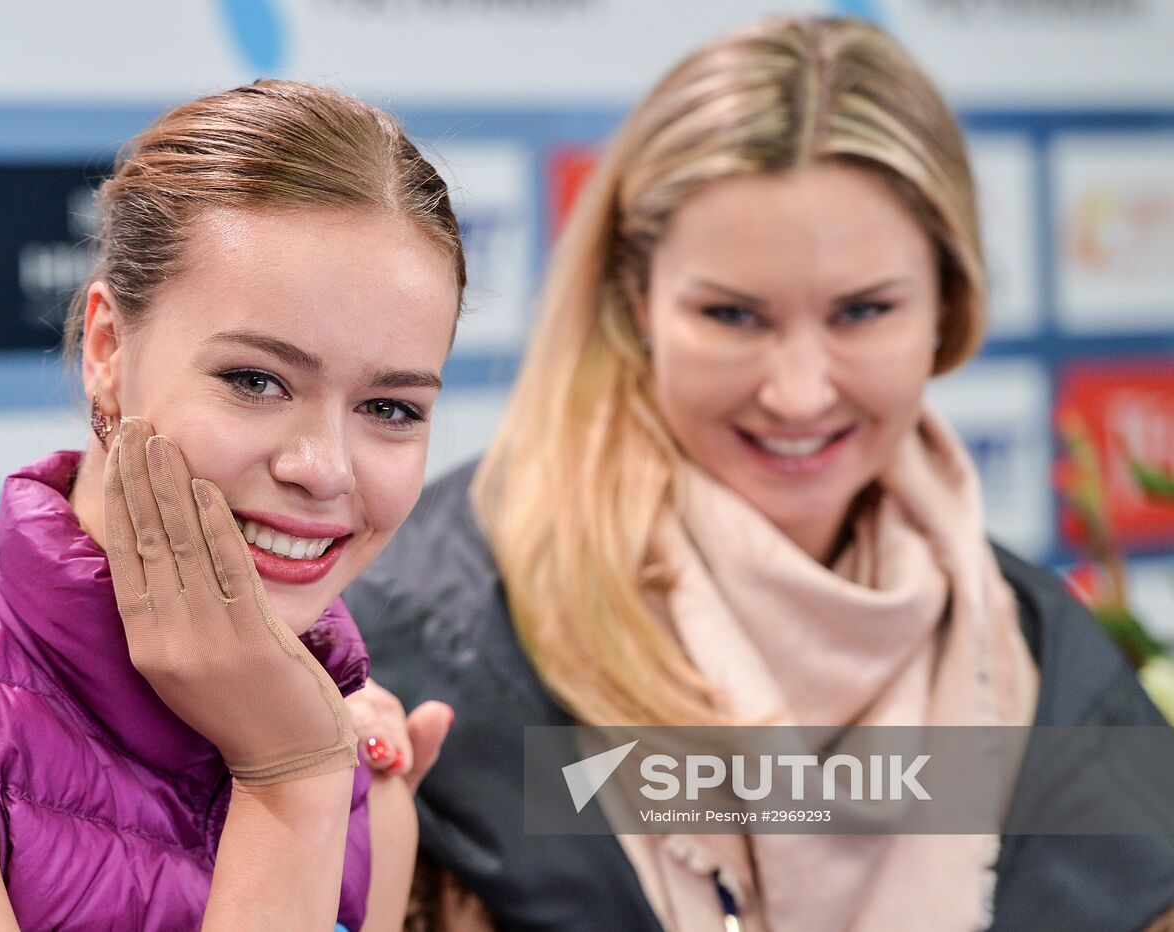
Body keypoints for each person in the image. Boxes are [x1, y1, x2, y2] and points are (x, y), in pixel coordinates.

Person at [343, 16, 1174, 932]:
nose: (797, 391)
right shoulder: (423, 643)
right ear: (636, 302)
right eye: (735, 316)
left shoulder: (1048, 664)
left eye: (862, 311)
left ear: (948, 304)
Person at [0, 80, 464, 930]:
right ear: (107, 346)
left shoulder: (359, 773)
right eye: (256, 381)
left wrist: (314, 774)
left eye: (390, 408)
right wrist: (288, 784)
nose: (322, 469)